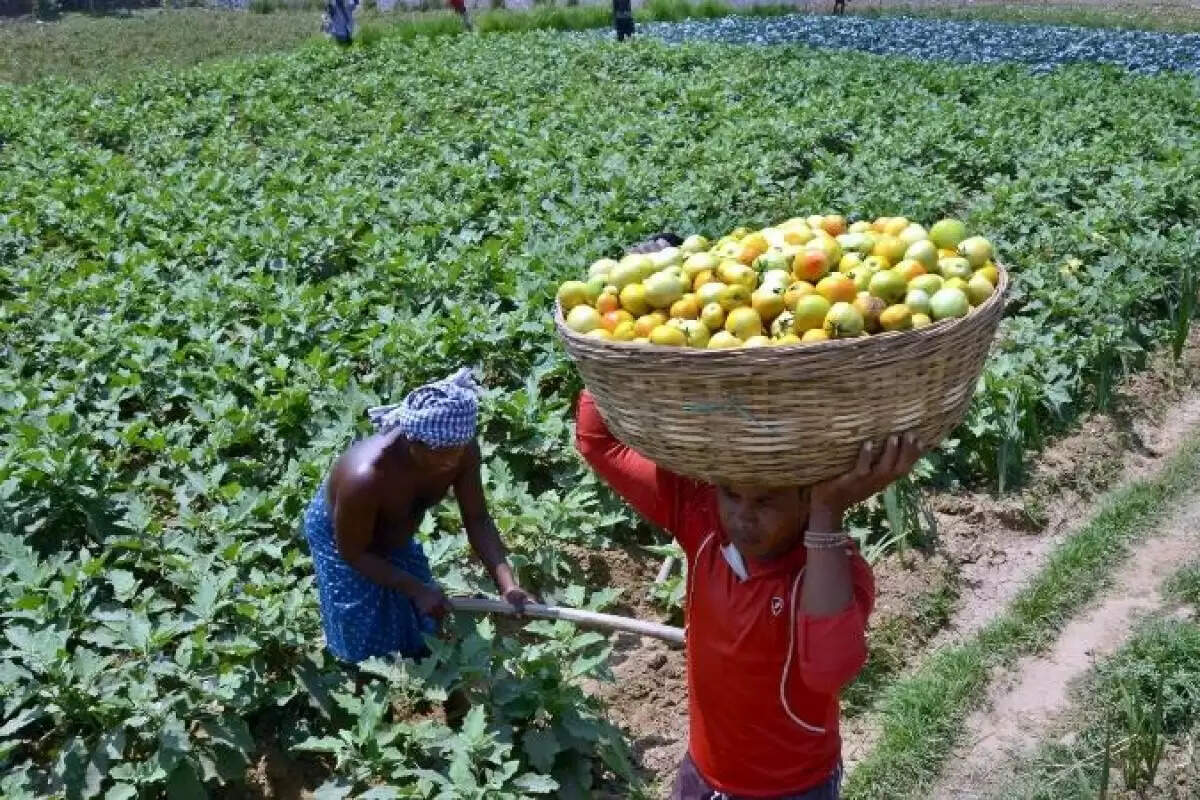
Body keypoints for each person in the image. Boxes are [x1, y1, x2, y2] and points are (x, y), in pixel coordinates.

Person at [574, 333, 923, 797]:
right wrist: (633, 341)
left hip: (792, 789)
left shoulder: (829, 569)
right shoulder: (702, 522)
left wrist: (828, 514)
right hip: (702, 775)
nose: (742, 514)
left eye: (765, 501)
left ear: (808, 495)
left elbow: (828, 671)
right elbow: (599, 440)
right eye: (731, 493)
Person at [304, 367, 534, 668]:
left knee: (424, 620)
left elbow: (477, 519)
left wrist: (507, 584)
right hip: (344, 537)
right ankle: (371, 683)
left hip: (395, 531)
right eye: (442, 454)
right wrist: (415, 589)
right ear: (413, 441)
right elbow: (355, 553)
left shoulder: (459, 450)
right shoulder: (367, 477)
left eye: (458, 451)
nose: (451, 462)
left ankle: (431, 670)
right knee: (362, 620)